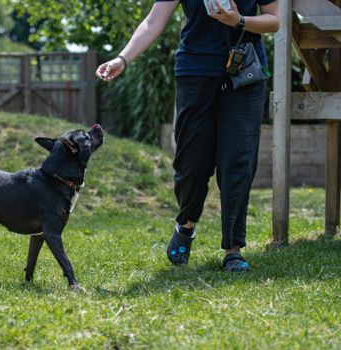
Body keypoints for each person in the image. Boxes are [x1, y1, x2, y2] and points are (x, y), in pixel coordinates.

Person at [96, 0, 279, 271]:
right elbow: (153, 21)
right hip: (195, 72)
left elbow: (274, 19)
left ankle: (233, 249)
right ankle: (186, 223)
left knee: (238, 161)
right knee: (191, 163)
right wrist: (123, 58)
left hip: (244, 71)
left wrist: (239, 21)